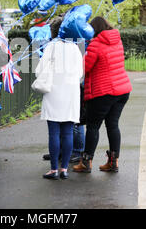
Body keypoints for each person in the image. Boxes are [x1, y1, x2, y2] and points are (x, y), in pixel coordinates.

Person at [73, 17, 132, 173]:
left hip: (103, 92)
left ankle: (86, 162)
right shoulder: (117, 41)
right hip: (122, 89)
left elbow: (85, 67)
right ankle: (113, 162)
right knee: (113, 125)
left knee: (93, 127)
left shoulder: (96, 44)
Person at [37, 16, 83, 180]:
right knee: (68, 132)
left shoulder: (50, 47)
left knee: (54, 133)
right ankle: (64, 169)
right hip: (71, 92)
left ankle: (53, 169)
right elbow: (80, 73)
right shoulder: (75, 48)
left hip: (54, 92)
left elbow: (39, 71)